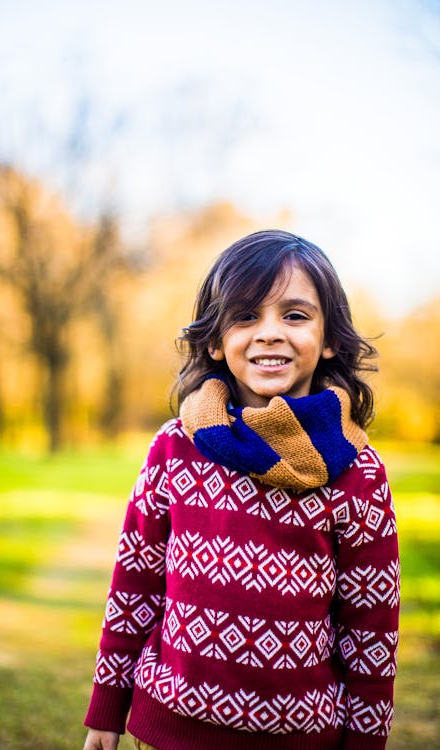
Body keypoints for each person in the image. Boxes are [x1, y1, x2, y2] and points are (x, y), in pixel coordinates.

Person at [83, 230, 399, 750]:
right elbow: (134, 587)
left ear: (329, 339)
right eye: (246, 316)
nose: (269, 333)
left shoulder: (358, 471)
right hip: (171, 726)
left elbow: (371, 629)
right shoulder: (176, 448)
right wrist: (107, 707)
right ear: (214, 340)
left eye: (295, 315)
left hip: (301, 735)